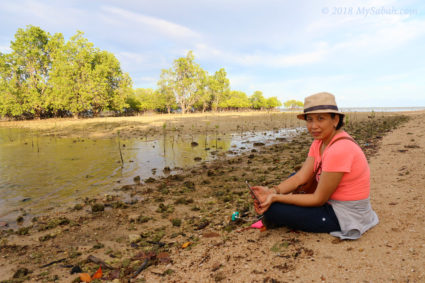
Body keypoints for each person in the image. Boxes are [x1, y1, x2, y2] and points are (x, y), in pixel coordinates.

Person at [252, 92, 379, 240]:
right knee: (293, 179)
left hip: (346, 213)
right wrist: (271, 191)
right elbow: (301, 177)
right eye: (309, 120)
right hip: (329, 200)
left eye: (321, 119)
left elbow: (318, 199)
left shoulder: (339, 149)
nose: (313, 126)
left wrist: (275, 198)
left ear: (335, 119)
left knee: (274, 210)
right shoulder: (319, 142)